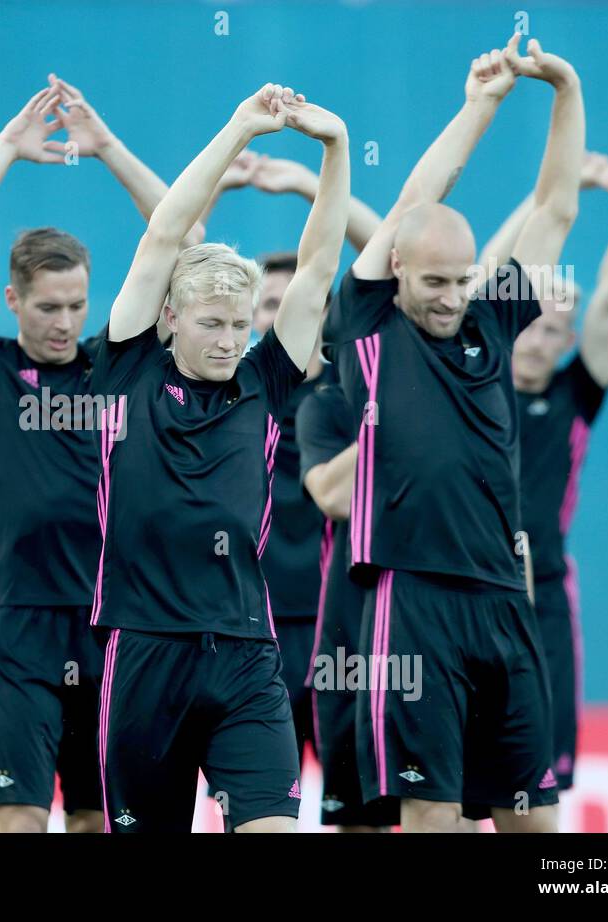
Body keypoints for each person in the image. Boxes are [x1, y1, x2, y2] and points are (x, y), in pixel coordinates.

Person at [323, 35, 585, 832]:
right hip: (412, 597)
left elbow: (558, 209)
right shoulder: (367, 320)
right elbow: (414, 198)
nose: (446, 297)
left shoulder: (494, 321)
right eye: (432, 280)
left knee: (532, 821)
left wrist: (564, 89)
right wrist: (482, 106)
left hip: (506, 599)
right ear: (396, 266)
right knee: (432, 813)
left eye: (459, 280)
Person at [0, 77, 200, 834]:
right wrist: (4, 152)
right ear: (13, 300)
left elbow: (184, 240)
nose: (65, 320)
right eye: (49, 306)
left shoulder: (110, 364)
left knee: (95, 818)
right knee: (19, 818)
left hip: (111, 622)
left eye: (78, 305)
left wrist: (107, 147)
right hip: (17, 624)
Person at [93, 83, 351, 833]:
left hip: (244, 653)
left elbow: (318, 263)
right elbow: (165, 233)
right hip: (145, 652)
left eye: (240, 323)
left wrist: (334, 148)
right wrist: (239, 127)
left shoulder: (265, 380)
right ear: (171, 316)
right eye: (212, 322)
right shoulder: (129, 369)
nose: (229, 337)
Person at [198, 152, 381, 771]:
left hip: (345, 629)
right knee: (255, 804)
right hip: (251, 631)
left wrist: (309, 182)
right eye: (264, 307)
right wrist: (214, 185)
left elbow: (395, 252)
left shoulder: (355, 392)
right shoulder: (233, 393)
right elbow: (169, 258)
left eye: (289, 303)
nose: (278, 318)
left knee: (359, 813)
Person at [479, 152, 608, 794]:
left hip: (543, 595)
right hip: (467, 591)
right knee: (453, 783)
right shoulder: (476, 380)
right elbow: (492, 274)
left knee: (541, 782)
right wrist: (548, 192)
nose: (545, 339)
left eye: (560, 329)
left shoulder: (576, 393)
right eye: (536, 323)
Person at [297, 364, 398, 831]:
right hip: (331, 630)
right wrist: (401, 410)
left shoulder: (464, 386)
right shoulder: (324, 404)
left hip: (433, 623)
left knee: (447, 807)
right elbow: (334, 495)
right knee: (356, 816)